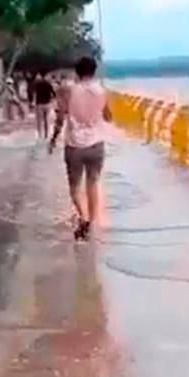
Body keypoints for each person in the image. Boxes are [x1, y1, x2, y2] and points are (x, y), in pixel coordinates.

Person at [49, 56, 112, 241]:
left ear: (77, 71)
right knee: (93, 183)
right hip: (96, 144)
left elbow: (60, 118)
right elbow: (109, 117)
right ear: (94, 71)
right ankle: (91, 223)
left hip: (74, 145)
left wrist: (53, 139)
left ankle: (83, 218)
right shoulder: (102, 91)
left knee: (75, 187)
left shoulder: (68, 90)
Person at [33, 73, 56, 139]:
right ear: (45, 76)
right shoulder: (48, 84)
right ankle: (46, 134)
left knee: (39, 120)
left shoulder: (37, 84)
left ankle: (40, 135)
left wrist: (33, 101)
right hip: (47, 103)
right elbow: (53, 93)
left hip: (39, 103)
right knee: (46, 120)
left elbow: (34, 93)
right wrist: (51, 99)